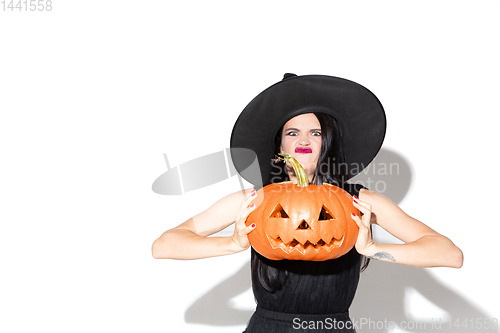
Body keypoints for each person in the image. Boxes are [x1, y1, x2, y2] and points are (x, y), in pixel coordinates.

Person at [152, 74, 463, 332]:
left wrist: (373, 249)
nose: (303, 141)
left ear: (328, 141)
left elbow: (449, 254)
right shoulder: (256, 200)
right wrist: (231, 244)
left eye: (315, 132)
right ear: (280, 144)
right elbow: (164, 245)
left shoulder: (357, 200)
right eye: (292, 132)